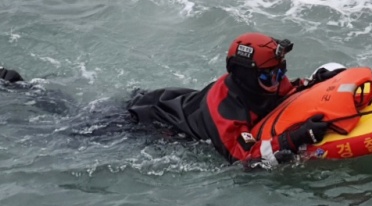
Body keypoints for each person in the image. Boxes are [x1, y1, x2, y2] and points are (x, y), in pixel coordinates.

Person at [125, 33, 332, 165]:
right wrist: (295, 138)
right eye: (270, 76)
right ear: (246, 75)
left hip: (180, 99)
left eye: (281, 72)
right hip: (146, 119)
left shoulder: (268, 82)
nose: (278, 81)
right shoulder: (225, 108)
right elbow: (242, 157)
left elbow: (289, 90)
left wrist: (314, 82)